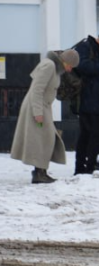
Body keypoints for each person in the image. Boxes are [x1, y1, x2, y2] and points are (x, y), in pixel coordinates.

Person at [11, 49, 80, 184]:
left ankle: (41, 171)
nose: (70, 69)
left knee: (45, 139)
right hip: (36, 107)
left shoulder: (55, 68)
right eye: (70, 66)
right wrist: (38, 113)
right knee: (43, 138)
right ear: (65, 61)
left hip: (44, 107)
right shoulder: (49, 66)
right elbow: (37, 89)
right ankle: (39, 173)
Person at [72, 31, 99, 175]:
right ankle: (88, 166)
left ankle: (82, 167)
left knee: (87, 134)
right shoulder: (86, 47)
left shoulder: (93, 49)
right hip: (87, 99)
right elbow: (82, 66)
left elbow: (92, 74)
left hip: (92, 99)